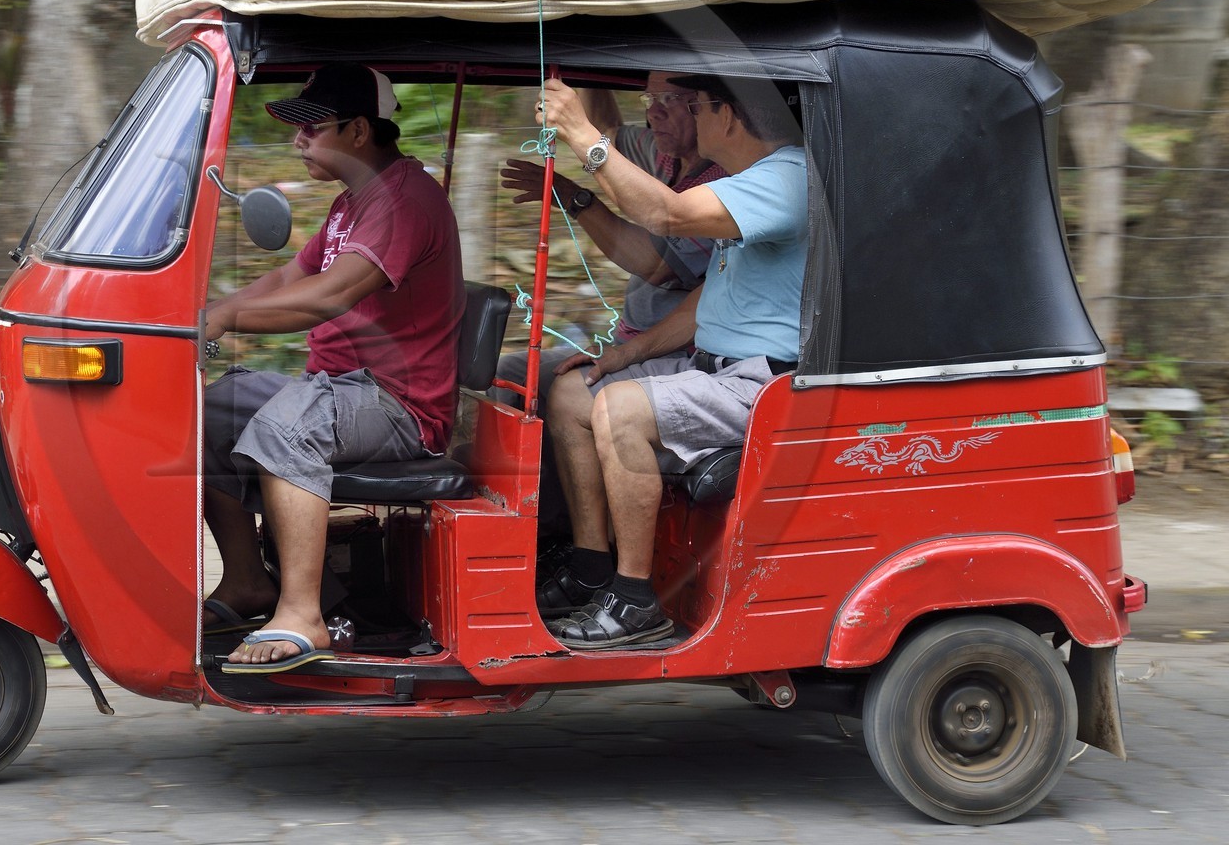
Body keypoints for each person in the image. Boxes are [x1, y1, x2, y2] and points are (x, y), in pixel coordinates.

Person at [201, 63, 465, 673]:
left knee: (287, 428)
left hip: (399, 404)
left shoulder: (404, 201)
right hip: (339, 387)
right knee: (211, 410)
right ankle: (247, 584)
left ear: (357, 132)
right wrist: (205, 311)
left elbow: (327, 297)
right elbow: (292, 278)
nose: (298, 143)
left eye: (311, 129)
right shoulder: (354, 203)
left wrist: (223, 324)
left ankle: (303, 615)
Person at [533, 73, 806, 648]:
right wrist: (624, 354)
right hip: (714, 366)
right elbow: (706, 300)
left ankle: (635, 602)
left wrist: (580, 132)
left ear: (726, 116)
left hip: (765, 383)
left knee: (621, 412)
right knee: (572, 392)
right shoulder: (750, 180)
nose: (685, 119)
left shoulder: (789, 178)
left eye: (696, 108)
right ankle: (591, 564)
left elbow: (668, 215)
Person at [491, 74, 726, 544]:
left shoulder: (720, 187)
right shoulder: (663, 152)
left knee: (566, 389)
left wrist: (575, 198)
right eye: (649, 99)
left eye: (671, 101)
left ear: (707, 108)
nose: (654, 112)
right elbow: (602, 134)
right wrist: (577, 71)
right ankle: (528, 529)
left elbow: (655, 264)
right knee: (508, 374)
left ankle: (583, 549)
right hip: (629, 338)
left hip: (673, 351)